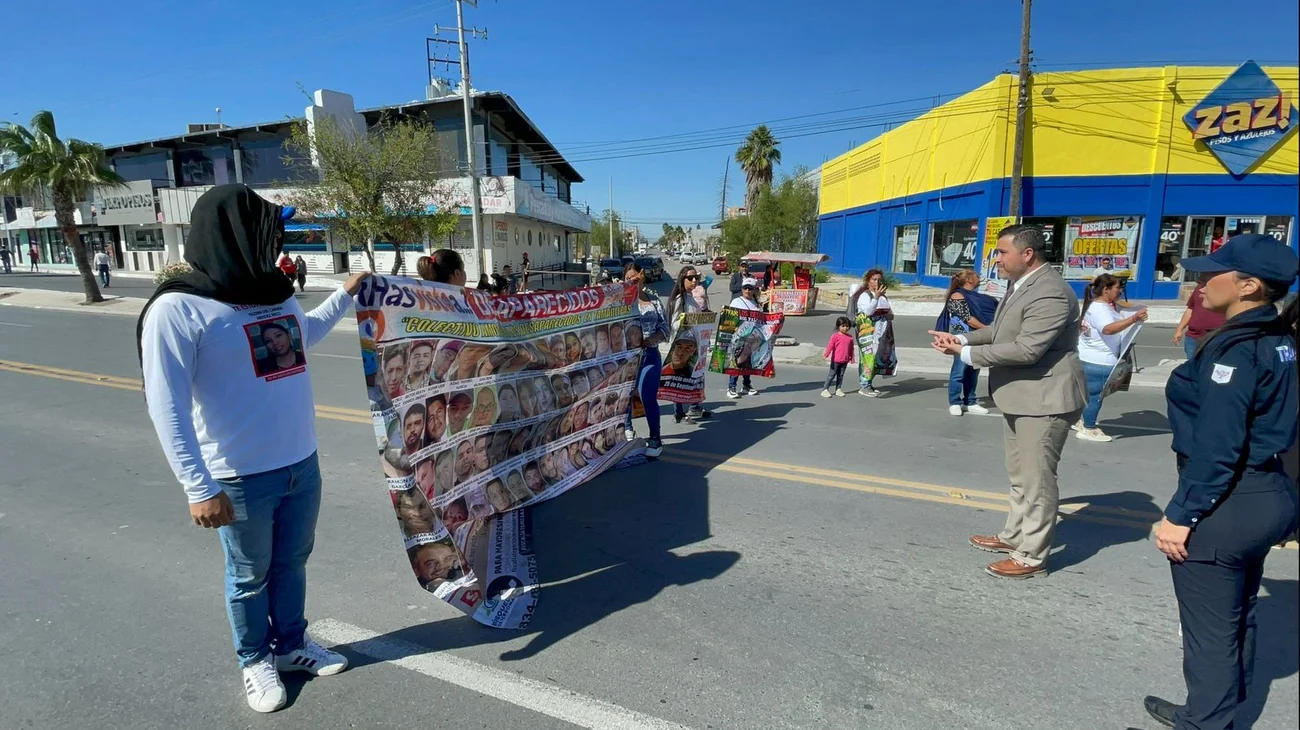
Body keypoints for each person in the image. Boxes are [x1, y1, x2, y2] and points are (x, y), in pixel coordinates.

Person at [137, 184, 368, 713]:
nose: (278, 240)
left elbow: (300, 335)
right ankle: (254, 660)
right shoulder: (179, 308)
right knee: (248, 576)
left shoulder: (273, 290)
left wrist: (346, 294)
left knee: (293, 562)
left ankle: (291, 646)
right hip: (238, 477)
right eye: (271, 230)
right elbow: (166, 406)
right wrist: (199, 486)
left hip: (300, 464)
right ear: (237, 232)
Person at [1141, 233, 1299, 730]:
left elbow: (1217, 448)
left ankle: (1204, 722)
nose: (1201, 281)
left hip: (1228, 503)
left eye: (1213, 274)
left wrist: (1179, 517)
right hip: (1267, 494)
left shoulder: (1237, 352)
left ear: (1249, 286)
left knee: (1210, 632)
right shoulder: (1279, 340)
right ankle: (1212, 712)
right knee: (1236, 619)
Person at [929, 224, 1086, 579]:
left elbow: (1028, 348)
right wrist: (960, 339)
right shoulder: (1021, 285)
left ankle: (1032, 555)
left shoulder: (1050, 292)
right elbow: (1000, 333)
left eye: (1001, 252)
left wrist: (968, 355)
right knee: (1020, 475)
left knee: (1037, 480)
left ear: (1027, 254)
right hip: (1022, 396)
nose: (995, 258)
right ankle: (1014, 535)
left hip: (1044, 399)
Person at [1074, 274, 1147, 443]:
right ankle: (1089, 428)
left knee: (1087, 394)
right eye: (1117, 288)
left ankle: (1081, 421)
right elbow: (1107, 329)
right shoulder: (1101, 309)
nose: (1120, 291)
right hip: (1099, 361)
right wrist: (1133, 319)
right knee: (1095, 397)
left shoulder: (1098, 305)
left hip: (1089, 357)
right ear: (1106, 290)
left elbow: (1118, 309)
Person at [622, 262, 670, 457]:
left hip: (649, 355)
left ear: (642, 276)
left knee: (647, 396)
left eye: (635, 277)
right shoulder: (618, 303)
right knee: (623, 396)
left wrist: (651, 339)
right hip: (625, 359)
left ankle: (655, 439)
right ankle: (626, 429)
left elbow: (665, 329)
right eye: (628, 278)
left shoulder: (655, 302)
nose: (632, 281)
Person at [941, 270, 996, 416]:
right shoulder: (957, 296)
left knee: (973, 371)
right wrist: (988, 330)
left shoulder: (978, 296)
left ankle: (970, 401)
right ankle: (955, 402)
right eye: (977, 276)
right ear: (969, 280)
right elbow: (967, 318)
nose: (979, 278)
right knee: (959, 371)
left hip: (977, 338)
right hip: (962, 338)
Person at [666, 265, 713, 423]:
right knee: (681, 378)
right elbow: (674, 323)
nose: (694, 281)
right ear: (682, 279)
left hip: (696, 346)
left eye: (696, 278)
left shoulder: (692, 298)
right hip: (682, 347)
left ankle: (695, 406)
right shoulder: (680, 299)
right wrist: (686, 324)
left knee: (695, 377)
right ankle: (678, 412)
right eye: (690, 278)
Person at [851, 269, 896, 398]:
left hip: (880, 332)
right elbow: (868, 312)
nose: (877, 282)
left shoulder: (883, 296)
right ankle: (864, 386)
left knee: (876, 359)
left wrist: (886, 313)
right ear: (868, 281)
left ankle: (869, 384)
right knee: (867, 358)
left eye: (879, 280)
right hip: (867, 333)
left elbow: (891, 314)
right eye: (874, 279)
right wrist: (875, 297)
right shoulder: (865, 295)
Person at [1173, 273, 1226, 361]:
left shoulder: (1225, 292)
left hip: (1215, 336)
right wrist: (1179, 330)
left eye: (1204, 282)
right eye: (1200, 282)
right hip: (1193, 337)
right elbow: (1190, 309)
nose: (1201, 288)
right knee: (1192, 364)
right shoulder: (1198, 289)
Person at [725, 277, 762, 398]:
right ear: (742, 289)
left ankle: (746, 385)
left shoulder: (754, 302)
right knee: (736, 362)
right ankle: (731, 387)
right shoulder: (736, 301)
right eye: (745, 288)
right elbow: (729, 318)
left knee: (747, 363)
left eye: (750, 288)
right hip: (739, 337)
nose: (747, 290)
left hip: (751, 338)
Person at [820, 316, 855, 398]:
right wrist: (826, 354)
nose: (845, 328)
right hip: (836, 360)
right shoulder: (835, 336)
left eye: (847, 326)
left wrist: (852, 358)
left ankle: (838, 389)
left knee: (841, 375)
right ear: (838, 326)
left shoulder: (850, 338)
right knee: (832, 375)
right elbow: (830, 346)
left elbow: (851, 349)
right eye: (843, 326)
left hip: (845, 360)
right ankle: (825, 389)